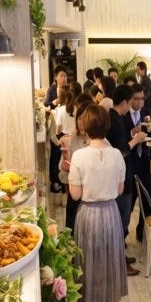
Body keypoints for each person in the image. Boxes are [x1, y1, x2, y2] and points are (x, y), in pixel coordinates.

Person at [68, 103, 129, 302]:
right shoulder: (117, 155)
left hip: (88, 216)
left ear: (85, 127)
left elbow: (75, 195)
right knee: (113, 267)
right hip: (111, 214)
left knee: (89, 270)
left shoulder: (79, 156)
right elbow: (120, 189)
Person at [106, 83, 146, 276]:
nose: (131, 106)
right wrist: (136, 140)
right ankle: (119, 262)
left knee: (123, 219)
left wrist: (131, 134)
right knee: (121, 221)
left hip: (120, 175)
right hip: (120, 177)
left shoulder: (114, 118)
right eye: (130, 102)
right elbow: (121, 151)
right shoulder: (115, 120)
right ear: (124, 102)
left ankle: (120, 257)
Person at [124, 83, 151, 244]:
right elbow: (122, 139)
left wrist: (150, 126)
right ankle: (123, 234)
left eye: (142, 99)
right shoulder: (123, 115)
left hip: (144, 160)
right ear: (130, 100)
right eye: (137, 99)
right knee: (129, 202)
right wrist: (133, 132)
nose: (140, 102)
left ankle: (142, 231)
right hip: (130, 163)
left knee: (147, 197)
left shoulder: (146, 112)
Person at [60, 93, 94, 233]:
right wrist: (66, 161)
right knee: (73, 234)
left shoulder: (100, 142)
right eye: (79, 118)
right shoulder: (71, 139)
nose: (81, 122)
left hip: (93, 198)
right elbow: (62, 175)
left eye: (85, 119)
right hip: (76, 196)